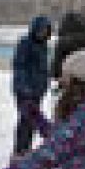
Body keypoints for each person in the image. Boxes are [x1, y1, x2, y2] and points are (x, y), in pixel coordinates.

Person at [12, 16, 52, 156]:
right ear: (34, 29)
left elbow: (43, 68)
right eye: (41, 30)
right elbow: (19, 66)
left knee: (32, 122)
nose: (43, 33)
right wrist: (23, 87)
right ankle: (19, 151)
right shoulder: (25, 43)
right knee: (25, 121)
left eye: (46, 30)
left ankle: (26, 149)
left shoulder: (43, 46)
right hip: (24, 91)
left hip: (37, 91)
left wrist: (46, 82)